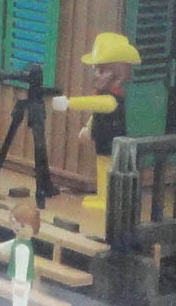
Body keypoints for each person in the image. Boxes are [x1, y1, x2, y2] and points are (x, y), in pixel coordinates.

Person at [51, 32, 141, 212]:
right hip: (103, 141)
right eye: (95, 69)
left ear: (118, 75)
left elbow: (96, 104)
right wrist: (88, 127)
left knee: (108, 170)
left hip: (111, 142)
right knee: (102, 168)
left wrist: (69, 103)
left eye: (101, 71)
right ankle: (102, 196)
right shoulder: (104, 96)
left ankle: (107, 199)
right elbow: (96, 113)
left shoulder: (112, 99)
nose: (96, 75)